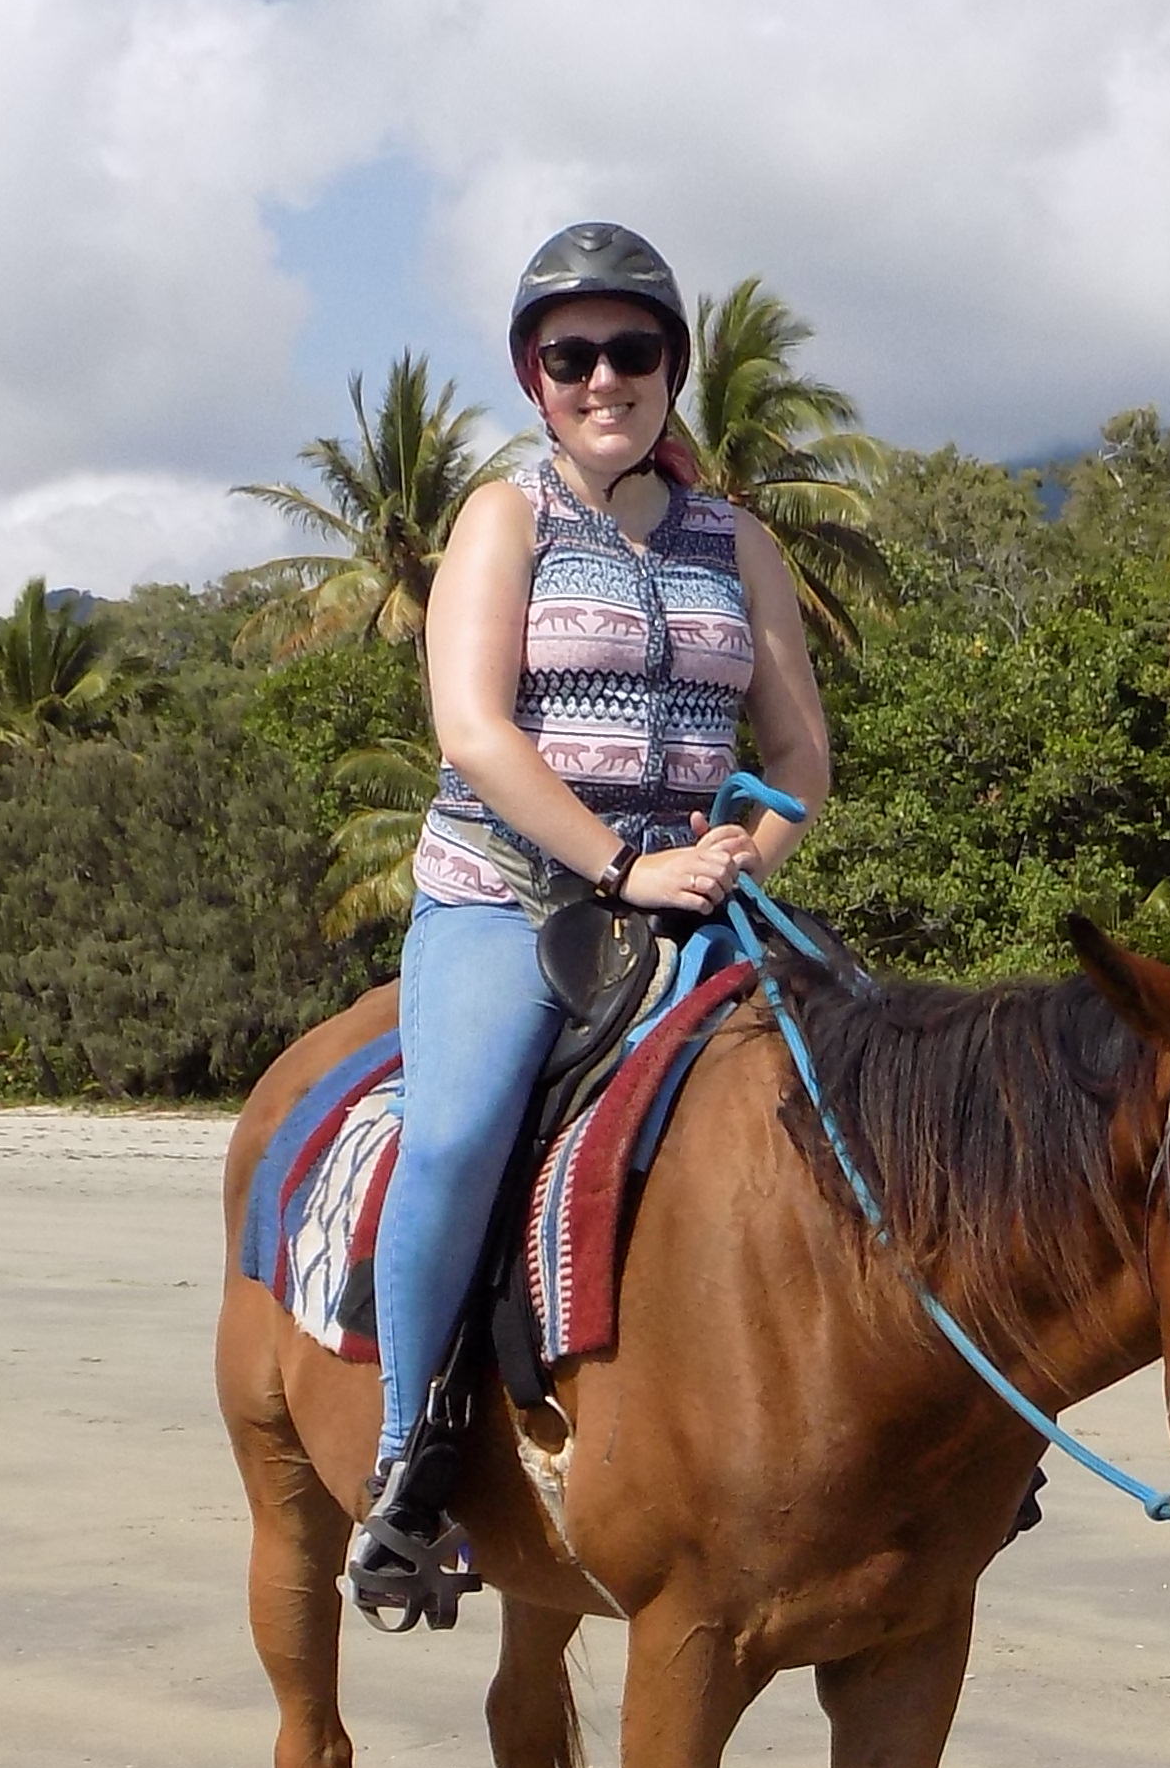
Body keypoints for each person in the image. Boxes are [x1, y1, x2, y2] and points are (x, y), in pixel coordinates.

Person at [345, 220, 833, 1630]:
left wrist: (753, 847)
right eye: (573, 356)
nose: (603, 377)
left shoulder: (736, 540)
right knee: (456, 1125)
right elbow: (475, 731)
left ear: (672, 367)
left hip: (700, 897)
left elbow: (800, 753)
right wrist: (622, 866)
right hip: (514, 894)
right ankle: (408, 1460)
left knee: (875, 1093)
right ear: (533, 376)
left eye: (632, 350)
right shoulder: (507, 518)